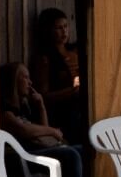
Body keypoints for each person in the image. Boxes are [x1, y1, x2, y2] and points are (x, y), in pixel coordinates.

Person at [0, 62, 89, 177]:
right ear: (13, 82)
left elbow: (44, 135)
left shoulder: (23, 108)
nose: (30, 82)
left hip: (34, 153)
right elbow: (25, 131)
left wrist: (40, 106)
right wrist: (52, 131)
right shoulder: (6, 112)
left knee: (82, 150)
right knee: (71, 155)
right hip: (18, 159)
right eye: (25, 77)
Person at [30, 8, 87, 143]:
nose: (64, 32)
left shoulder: (75, 51)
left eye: (66, 26)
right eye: (58, 28)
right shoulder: (45, 59)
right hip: (64, 112)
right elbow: (43, 95)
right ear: (48, 30)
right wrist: (71, 92)